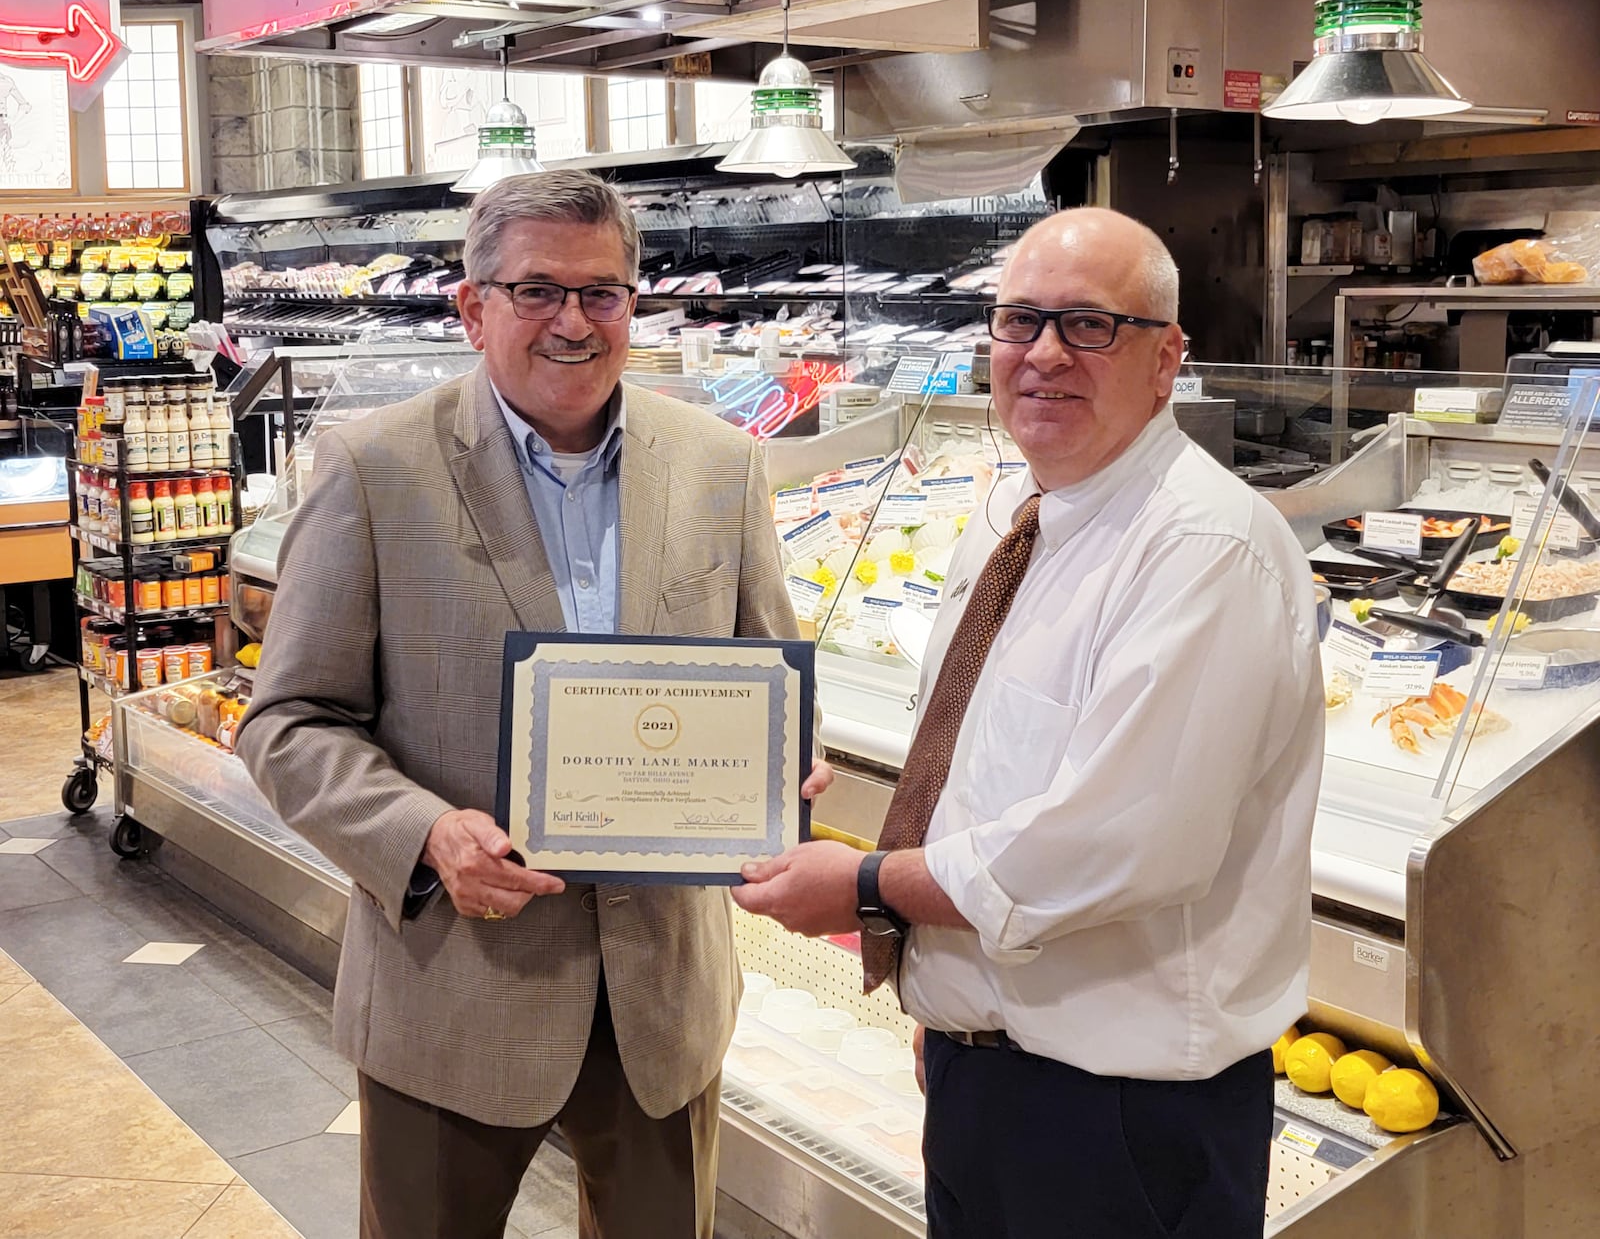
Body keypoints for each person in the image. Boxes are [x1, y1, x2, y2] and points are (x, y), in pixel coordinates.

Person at [238, 169, 829, 1239]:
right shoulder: (377, 468)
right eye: (536, 292)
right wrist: (423, 834)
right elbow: (287, 722)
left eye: (601, 292)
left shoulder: (719, 465)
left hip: (660, 997)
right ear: (472, 308)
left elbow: (772, 676)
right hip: (452, 990)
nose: (573, 320)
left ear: (633, 304)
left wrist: (778, 769)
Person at [733, 208, 1324, 1239]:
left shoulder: (1205, 550)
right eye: (1019, 322)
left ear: (1165, 357)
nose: (1043, 355)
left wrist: (865, 886)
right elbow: (982, 779)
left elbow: (1113, 849)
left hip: (1122, 1121)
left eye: (1089, 326)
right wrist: (947, 1004)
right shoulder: (1020, 511)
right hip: (991, 1074)